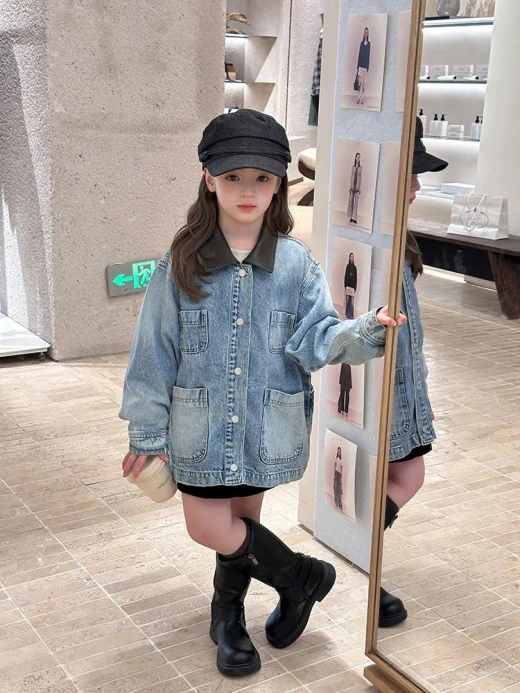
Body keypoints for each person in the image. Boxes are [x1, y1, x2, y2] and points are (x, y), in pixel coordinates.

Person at [119, 108, 406, 678]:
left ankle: (227, 619)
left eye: (261, 178)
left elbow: (317, 338)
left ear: (278, 184)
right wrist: (146, 435)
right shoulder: (181, 262)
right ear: (208, 179)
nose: (247, 191)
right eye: (232, 177)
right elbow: (153, 354)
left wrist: (366, 330)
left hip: (264, 429)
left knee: (242, 531)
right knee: (209, 527)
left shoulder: (297, 265)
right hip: (199, 431)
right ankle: (301, 577)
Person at [380, 116, 448, 629]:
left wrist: (418, 395)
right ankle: (343, 558)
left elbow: (411, 338)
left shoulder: (396, 240)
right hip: (377, 391)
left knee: (399, 475)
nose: (418, 187)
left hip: (398, 389)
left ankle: (357, 556)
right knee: (405, 474)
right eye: (410, 174)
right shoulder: (374, 247)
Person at [356, 27, 370, 106]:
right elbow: (359, 55)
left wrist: (368, 67)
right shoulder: (361, 43)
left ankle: (362, 98)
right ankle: (358, 98)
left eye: (367, 32)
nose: (366, 34)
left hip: (365, 66)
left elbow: (368, 56)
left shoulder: (369, 44)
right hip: (360, 65)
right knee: (359, 83)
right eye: (365, 32)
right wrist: (357, 67)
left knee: (364, 83)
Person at [348, 154, 362, 225]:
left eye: (359, 157)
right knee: (351, 202)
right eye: (357, 157)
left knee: (356, 203)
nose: (358, 158)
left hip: (357, 188)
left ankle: (354, 218)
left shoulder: (360, 168)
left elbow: (361, 178)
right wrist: (350, 187)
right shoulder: (353, 167)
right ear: (355, 157)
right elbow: (351, 177)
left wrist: (360, 188)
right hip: (352, 187)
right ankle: (351, 217)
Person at [344, 251, 358, 317]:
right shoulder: (348, 266)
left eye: (353, 257)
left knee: (351, 301)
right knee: (347, 300)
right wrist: (345, 285)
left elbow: (355, 277)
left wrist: (355, 287)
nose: (352, 258)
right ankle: (347, 314)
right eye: (351, 256)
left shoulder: (355, 267)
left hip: (352, 286)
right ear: (349, 257)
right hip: (348, 286)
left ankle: (351, 315)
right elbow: (346, 275)